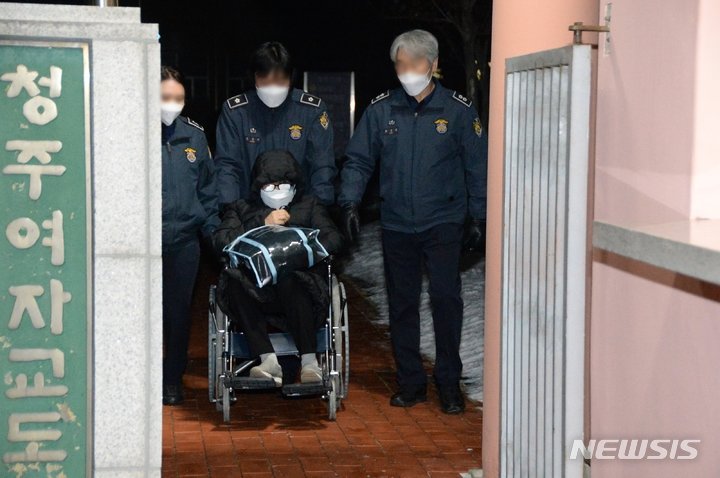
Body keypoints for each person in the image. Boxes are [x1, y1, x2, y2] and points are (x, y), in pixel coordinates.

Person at [338, 30, 487, 414]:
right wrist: (349, 201)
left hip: (443, 222)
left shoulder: (457, 110)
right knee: (402, 304)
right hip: (397, 223)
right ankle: (411, 382)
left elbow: (477, 166)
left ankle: (449, 383)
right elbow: (358, 160)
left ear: (433, 65)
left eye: (414, 63)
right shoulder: (381, 110)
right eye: (400, 64)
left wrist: (479, 216)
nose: (407, 71)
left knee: (445, 299)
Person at [214, 149, 343, 386]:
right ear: (258, 187)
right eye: (269, 185)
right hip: (258, 292)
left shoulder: (309, 206)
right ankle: (267, 359)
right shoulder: (242, 208)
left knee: (289, 277)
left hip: (300, 291)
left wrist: (299, 247)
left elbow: (333, 238)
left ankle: (309, 362)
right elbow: (221, 241)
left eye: (282, 183)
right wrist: (261, 222)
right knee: (233, 281)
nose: (276, 190)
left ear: (294, 184)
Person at [215, 42, 336, 209]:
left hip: (301, 210)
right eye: (265, 80)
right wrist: (230, 210)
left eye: (280, 81)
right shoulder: (236, 112)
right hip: (249, 211)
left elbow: (322, 165)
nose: (273, 88)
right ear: (254, 77)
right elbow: (227, 166)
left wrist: (319, 209)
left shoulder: (311, 110)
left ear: (291, 78)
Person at [160, 65, 219, 405]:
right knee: (143, 314)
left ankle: (172, 379)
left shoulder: (194, 136)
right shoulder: (132, 132)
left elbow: (208, 191)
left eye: (178, 97)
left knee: (179, 313)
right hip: (144, 245)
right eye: (165, 97)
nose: (172, 103)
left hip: (184, 241)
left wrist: (212, 233)